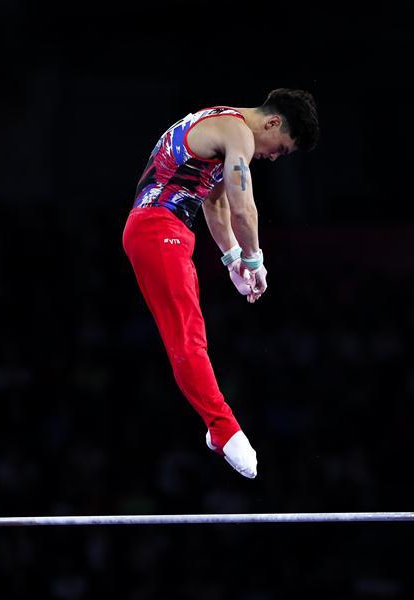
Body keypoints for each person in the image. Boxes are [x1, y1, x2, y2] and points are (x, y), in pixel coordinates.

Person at [122, 89, 319, 478]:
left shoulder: (219, 125)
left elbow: (215, 203)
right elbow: (243, 205)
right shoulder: (240, 133)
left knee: (192, 337)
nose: (274, 157)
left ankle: (218, 427)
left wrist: (232, 260)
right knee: (187, 339)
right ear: (273, 122)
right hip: (156, 229)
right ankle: (223, 427)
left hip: (161, 229)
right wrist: (255, 259)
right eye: (281, 148)